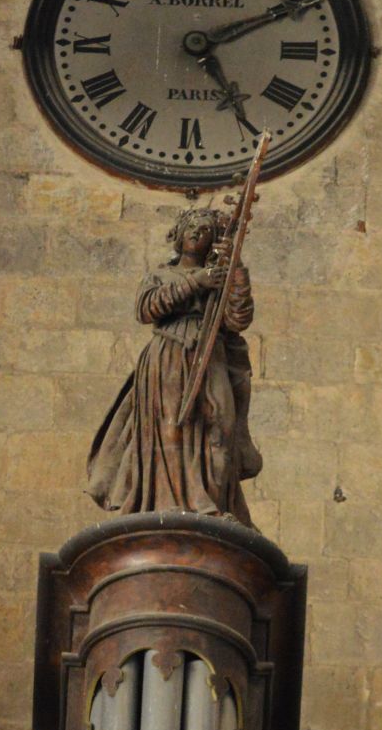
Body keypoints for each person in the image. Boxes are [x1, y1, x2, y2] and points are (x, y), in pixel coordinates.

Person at [85, 205, 262, 524]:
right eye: (192, 227)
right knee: (171, 430)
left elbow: (238, 319)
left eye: (206, 229)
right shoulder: (161, 275)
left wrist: (236, 269)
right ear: (178, 235)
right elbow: (146, 309)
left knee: (221, 427)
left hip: (210, 356)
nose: (197, 232)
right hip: (169, 356)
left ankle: (216, 502)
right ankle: (174, 503)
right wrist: (196, 282)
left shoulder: (220, 280)